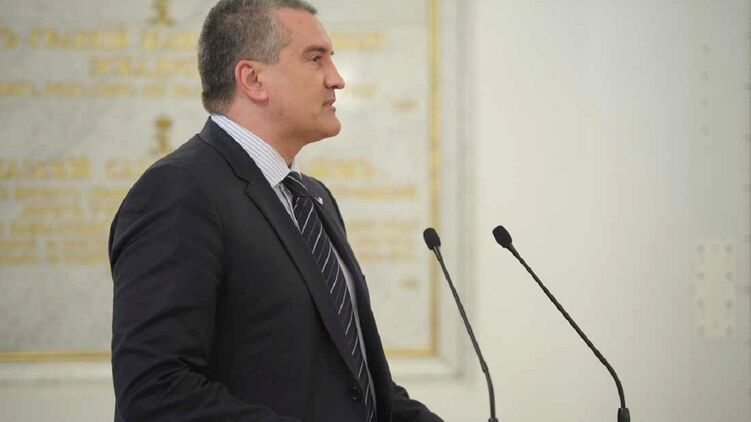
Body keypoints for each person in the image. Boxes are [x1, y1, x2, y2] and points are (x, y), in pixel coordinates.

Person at [108, 0, 444, 421]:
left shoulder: (312, 197)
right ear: (253, 79)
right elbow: (154, 391)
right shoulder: (179, 191)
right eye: (315, 58)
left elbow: (354, 384)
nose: (336, 79)